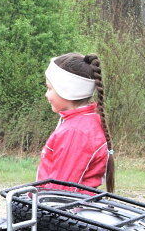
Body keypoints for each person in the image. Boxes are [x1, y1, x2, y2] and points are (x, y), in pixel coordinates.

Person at [36, 53, 115, 192]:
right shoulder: (83, 122)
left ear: (67, 90)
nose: (46, 94)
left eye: (50, 88)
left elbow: (60, 189)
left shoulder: (76, 132)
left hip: (65, 209)